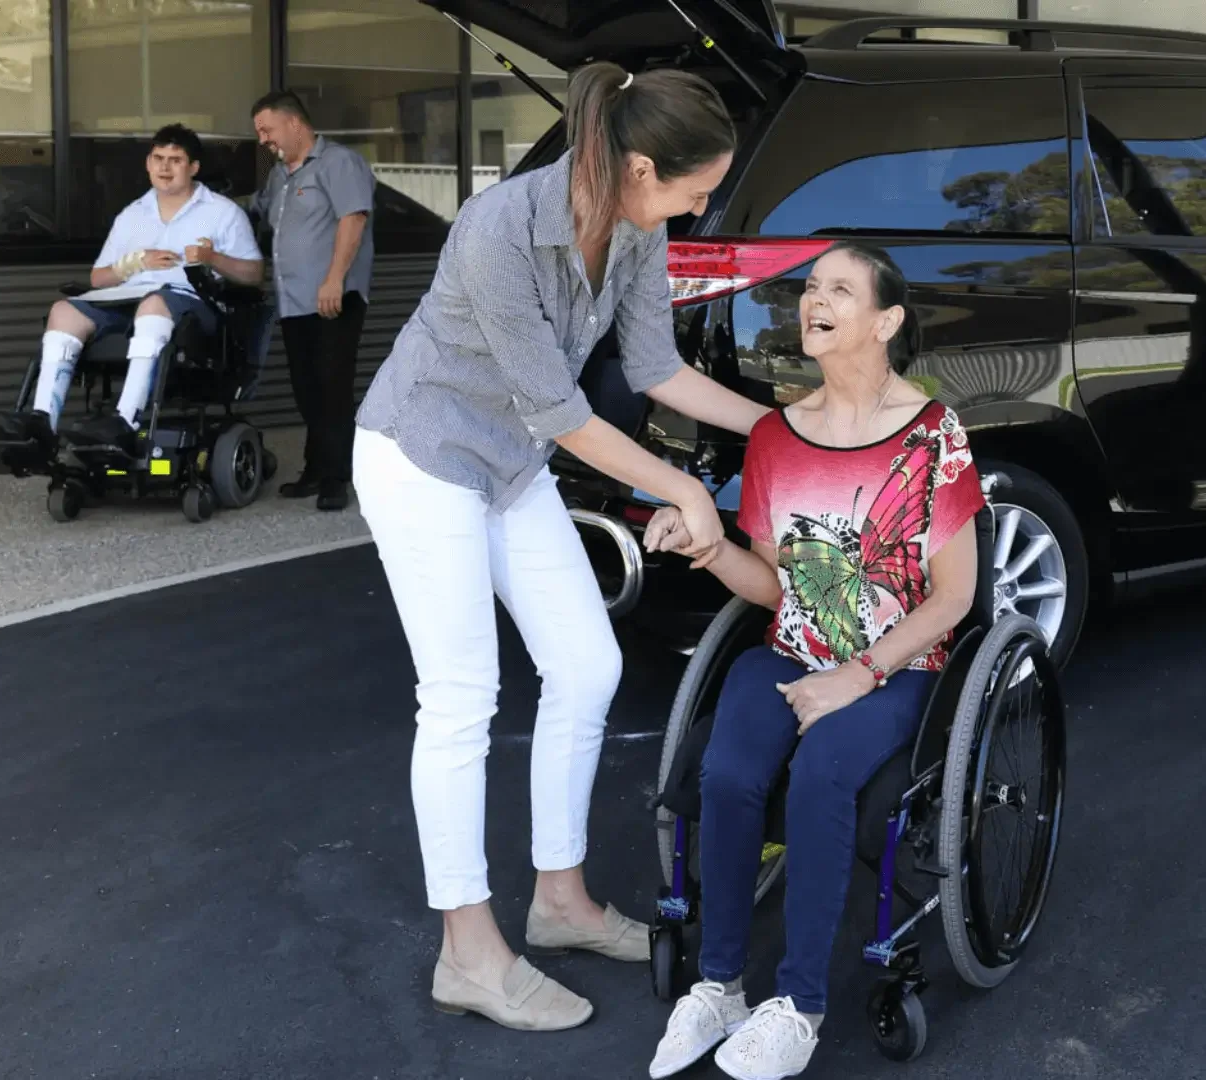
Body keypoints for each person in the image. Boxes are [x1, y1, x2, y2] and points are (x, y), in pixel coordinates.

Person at [348, 61, 772, 1034]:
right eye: (694, 189)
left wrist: (781, 430)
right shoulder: (498, 228)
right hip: (423, 456)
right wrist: (679, 490)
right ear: (635, 166)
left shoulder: (638, 229)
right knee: (460, 697)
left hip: (510, 462)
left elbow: (657, 367)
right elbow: (564, 408)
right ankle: (468, 950)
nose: (700, 209)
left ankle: (561, 900)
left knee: (587, 664)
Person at [641, 243, 983, 1080]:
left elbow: (954, 597)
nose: (812, 300)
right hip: (791, 649)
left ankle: (797, 1005)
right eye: (808, 287)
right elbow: (771, 584)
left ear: (886, 321)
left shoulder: (933, 434)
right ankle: (718, 985)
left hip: (898, 666)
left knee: (827, 773)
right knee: (727, 772)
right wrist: (710, 546)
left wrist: (858, 675)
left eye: (838, 288)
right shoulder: (775, 434)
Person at [0, 124, 263, 455]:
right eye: (158, 158)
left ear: (194, 167)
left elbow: (253, 274)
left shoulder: (223, 212)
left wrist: (211, 257)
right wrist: (134, 263)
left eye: (175, 160)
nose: (165, 167)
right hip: (126, 301)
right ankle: (42, 423)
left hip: (191, 307)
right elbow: (98, 279)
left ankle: (126, 420)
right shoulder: (132, 215)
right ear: (148, 164)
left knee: (153, 304)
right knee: (63, 311)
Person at [251, 89, 375, 512]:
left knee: (332, 388)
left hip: (332, 299)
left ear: (295, 124)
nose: (264, 140)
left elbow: (353, 218)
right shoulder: (278, 177)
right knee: (307, 389)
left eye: (267, 130)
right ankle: (315, 469)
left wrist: (334, 279)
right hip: (293, 303)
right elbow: (255, 211)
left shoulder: (339, 163)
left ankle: (337, 477)